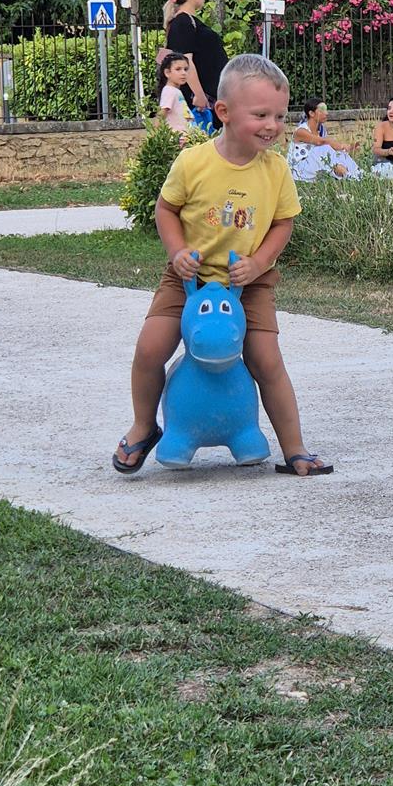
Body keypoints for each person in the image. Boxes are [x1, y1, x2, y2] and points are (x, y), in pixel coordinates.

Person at [113, 53, 332, 477]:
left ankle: (294, 449)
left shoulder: (276, 169)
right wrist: (177, 252)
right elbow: (165, 209)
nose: (272, 124)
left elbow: (284, 222)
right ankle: (144, 426)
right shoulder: (194, 162)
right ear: (224, 112)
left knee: (266, 360)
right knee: (149, 349)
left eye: (280, 115)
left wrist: (261, 261)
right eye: (261, 114)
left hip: (249, 283)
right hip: (187, 280)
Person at [163, 0, 228, 125]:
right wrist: (199, 95)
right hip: (202, 102)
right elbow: (186, 61)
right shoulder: (183, 22)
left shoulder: (188, 21)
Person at [287, 98, 362, 181]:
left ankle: (358, 174)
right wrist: (342, 146)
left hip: (314, 167)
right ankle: (348, 176)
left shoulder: (322, 130)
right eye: (322, 110)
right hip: (299, 169)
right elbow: (321, 142)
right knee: (323, 149)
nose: (326, 113)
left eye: (326, 110)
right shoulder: (300, 131)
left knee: (339, 153)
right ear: (311, 113)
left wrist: (345, 149)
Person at [156, 51, 193, 134]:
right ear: (167, 73)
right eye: (178, 69)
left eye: (185, 69)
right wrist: (154, 135)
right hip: (177, 139)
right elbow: (162, 113)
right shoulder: (169, 91)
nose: (183, 73)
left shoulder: (175, 91)